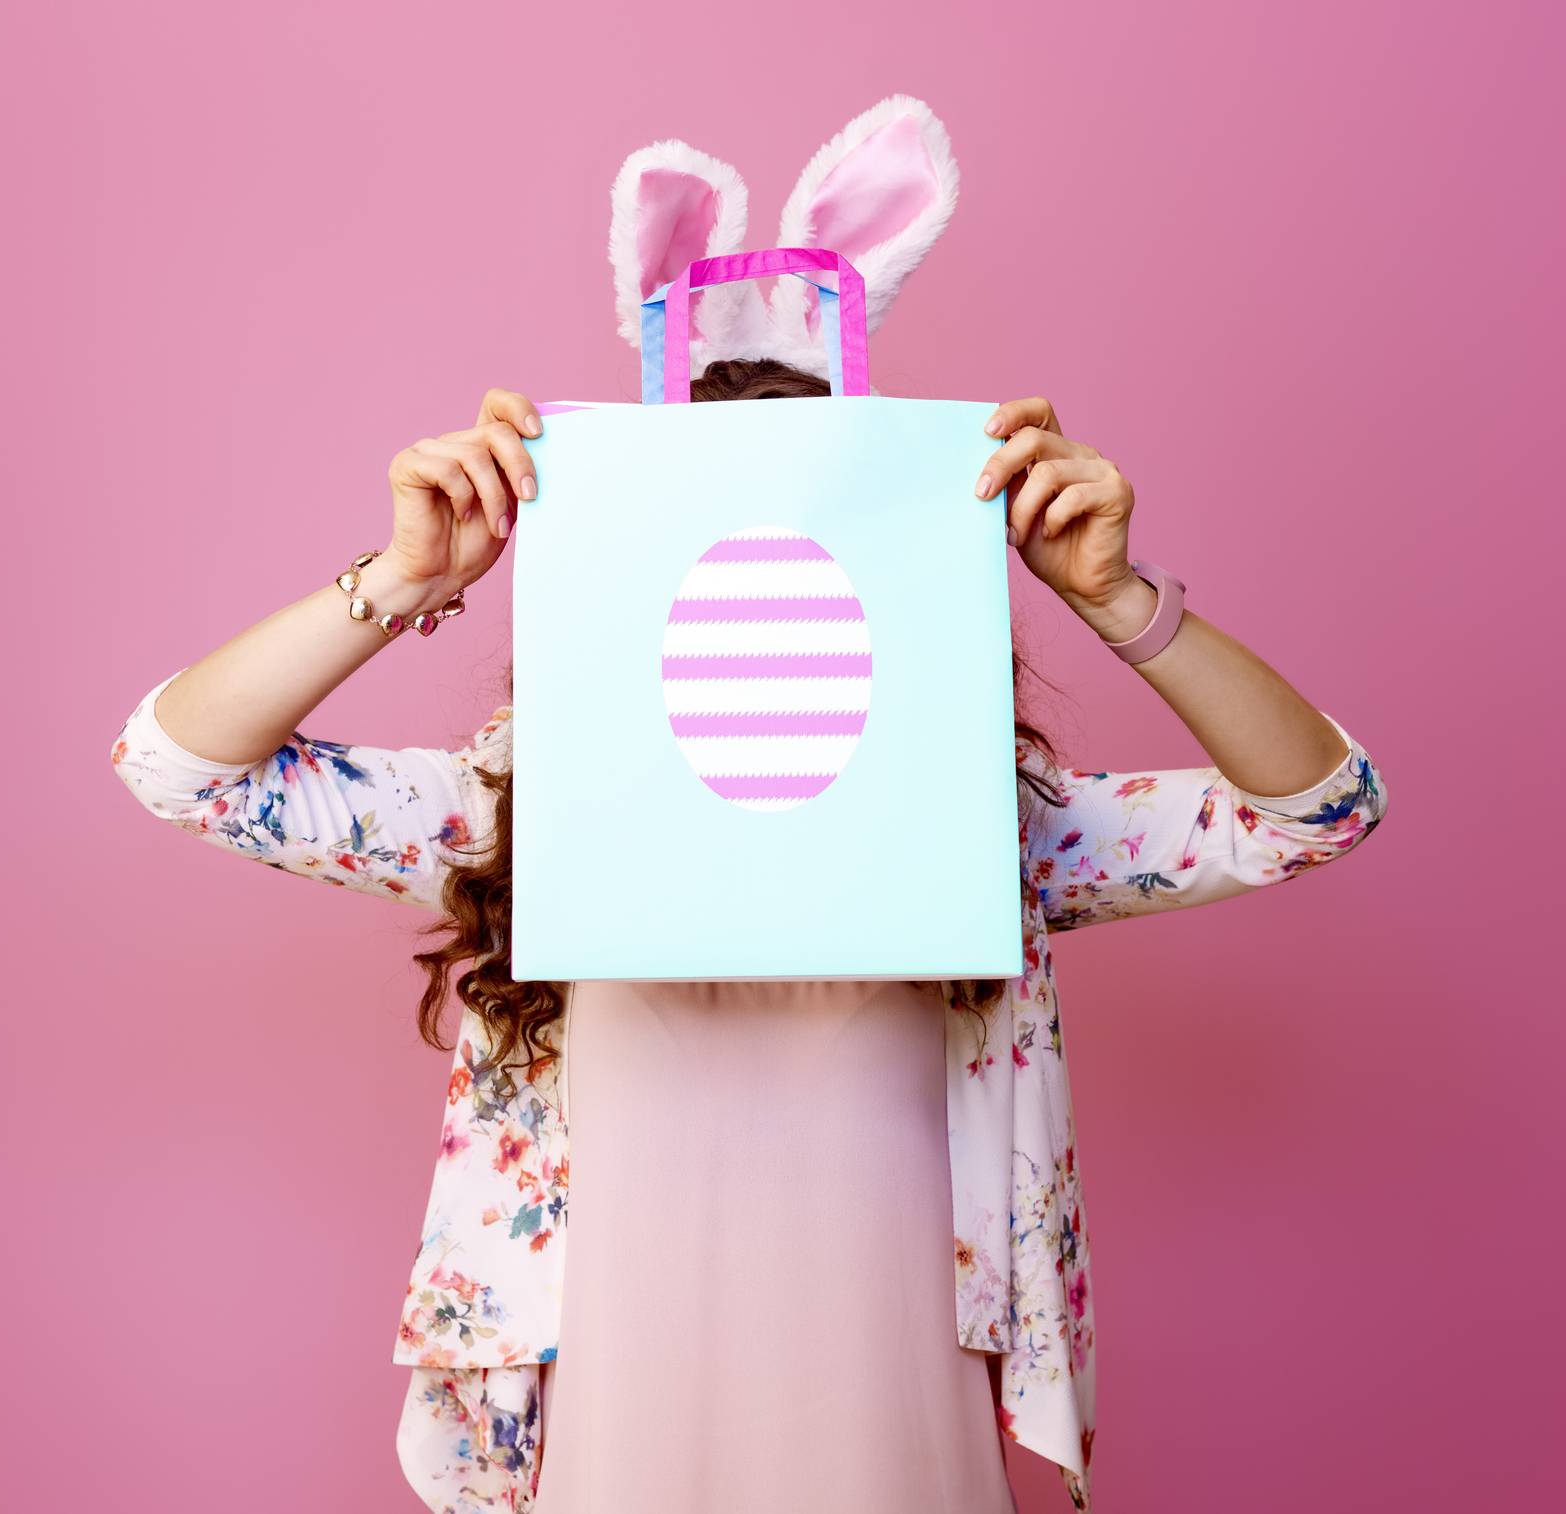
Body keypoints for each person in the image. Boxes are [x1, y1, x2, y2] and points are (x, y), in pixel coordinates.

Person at [108, 97, 1390, 1514]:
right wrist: (401, 582)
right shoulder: (517, 808)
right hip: (623, 1401)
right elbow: (184, 768)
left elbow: (1317, 806)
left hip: (884, 1411)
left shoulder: (980, 825)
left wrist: (1120, 602)